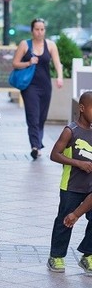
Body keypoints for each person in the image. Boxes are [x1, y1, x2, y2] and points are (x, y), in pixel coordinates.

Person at [47, 91, 92, 275]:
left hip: (90, 187)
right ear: (82, 108)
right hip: (71, 186)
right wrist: (78, 163)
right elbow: (54, 155)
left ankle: (88, 255)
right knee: (65, 220)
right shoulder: (70, 131)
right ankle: (56, 256)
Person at [12, 18, 63, 160]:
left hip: (45, 85)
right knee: (33, 116)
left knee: (42, 117)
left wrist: (59, 77)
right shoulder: (25, 44)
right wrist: (28, 62)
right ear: (32, 30)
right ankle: (35, 146)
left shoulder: (51, 45)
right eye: (37, 29)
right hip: (30, 86)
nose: (39, 32)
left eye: (42, 29)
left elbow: (58, 64)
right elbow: (15, 63)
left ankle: (38, 143)